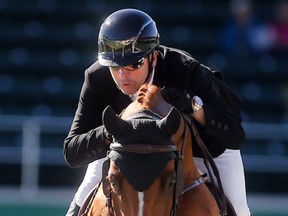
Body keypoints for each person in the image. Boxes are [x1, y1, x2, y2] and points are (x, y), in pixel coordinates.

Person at [64, 8, 251, 216]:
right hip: (126, 150)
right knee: (77, 206)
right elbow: (72, 151)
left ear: (153, 57)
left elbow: (234, 135)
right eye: (114, 65)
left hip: (199, 149)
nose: (122, 74)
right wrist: (114, 131)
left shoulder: (184, 69)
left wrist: (193, 106)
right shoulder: (97, 77)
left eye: (134, 64)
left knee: (240, 210)